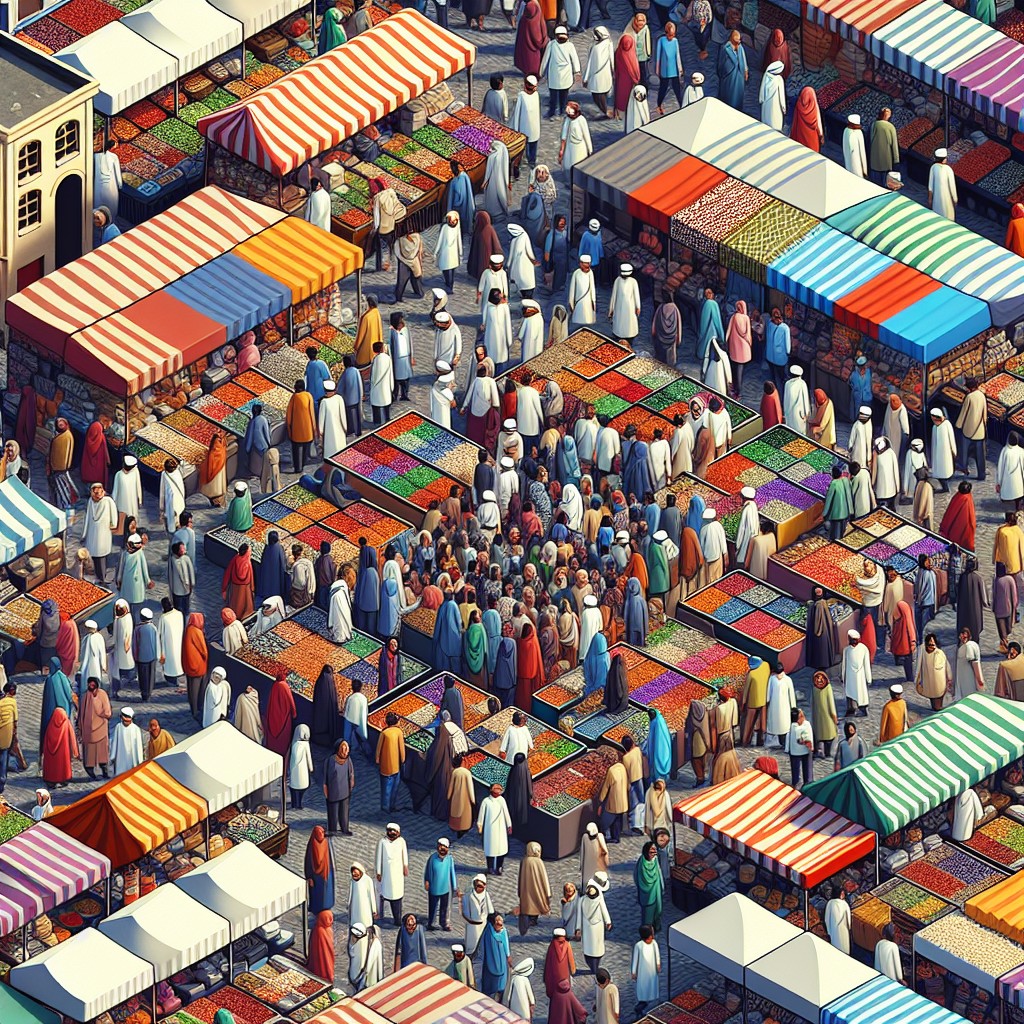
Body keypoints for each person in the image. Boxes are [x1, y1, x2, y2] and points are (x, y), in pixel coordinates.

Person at [540, 27, 581, 119]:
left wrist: (541, 72)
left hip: (560, 74)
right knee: (557, 95)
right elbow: (546, 59)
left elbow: (574, 59)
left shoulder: (564, 45)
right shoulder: (553, 45)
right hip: (559, 74)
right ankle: (555, 111)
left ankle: (560, 111)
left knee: (561, 95)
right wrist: (577, 72)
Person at [78, 677, 111, 779]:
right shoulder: (85, 697)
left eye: (93, 685)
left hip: (101, 729)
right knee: (90, 754)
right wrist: (80, 727)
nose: (90, 687)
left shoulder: (102, 695)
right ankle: (90, 771)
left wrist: (99, 712)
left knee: (102, 752)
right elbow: (81, 714)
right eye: (89, 685)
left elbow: (107, 712)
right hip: (88, 731)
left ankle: (104, 770)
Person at [375, 822, 408, 924]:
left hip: (397, 873)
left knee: (397, 898)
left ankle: (397, 919)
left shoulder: (401, 841)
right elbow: (378, 857)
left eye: (394, 831)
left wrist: (405, 866)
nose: (392, 833)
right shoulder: (382, 842)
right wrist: (378, 872)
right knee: (383, 895)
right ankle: (380, 915)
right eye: (390, 830)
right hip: (386, 874)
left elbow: (405, 854)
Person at [956, 376, 988, 480]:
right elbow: (984, 413)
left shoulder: (969, 397)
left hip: (968, 430)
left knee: (964, 450)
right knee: (980, 455)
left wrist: (958, 425)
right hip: (980, 430)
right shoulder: (982, 395)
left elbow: (963, 413)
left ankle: (964, 467)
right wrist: (984, 423)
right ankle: (981, 474)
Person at [478, 783, 512, 874]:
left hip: (501, 829)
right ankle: (490, 867)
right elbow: (481, 814)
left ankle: (499, 867)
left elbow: (506, 813)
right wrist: (480, 824)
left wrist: (509, 825)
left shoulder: (502, 800)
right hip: (490, 830)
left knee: (501, 849)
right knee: (490, 849)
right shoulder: (486, 801)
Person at [375, 713, 406, 812]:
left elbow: (378, 749)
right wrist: (403, 760)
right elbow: (402, 749)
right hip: (396, 765)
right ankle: (391, 806)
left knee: (386, 788)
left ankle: (385, 807)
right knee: (394, 787)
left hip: (385, 765)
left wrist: (377, 759)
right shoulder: (399, 732)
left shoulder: (384, 733)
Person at [631, 925, 660, 1017]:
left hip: (652, 971)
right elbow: (635, 959)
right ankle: (641, 1004)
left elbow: (657, 955)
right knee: (643, 988)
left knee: (651, 987)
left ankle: (646, 1001)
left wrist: (658, 964)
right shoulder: (639, 946)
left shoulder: (654, 943)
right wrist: (634, 971)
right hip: (643, 972)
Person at [482, 914, 512, 999]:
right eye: (498, 924)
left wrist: (508, 955)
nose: (500, 926)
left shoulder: (503, 932)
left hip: (502, 960)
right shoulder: (489, 933)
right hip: (490, 961)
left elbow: (506, 944)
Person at [559, 102, 593, 176]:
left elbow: (586, 135)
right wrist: (562, 149)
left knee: (579, 165)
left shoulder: (581, 119)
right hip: (570, 146)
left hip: (580, 147)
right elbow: (564, 135)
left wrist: (590, 149)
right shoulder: (568, 119)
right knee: (569, 164)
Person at [109, 706, 144, 776]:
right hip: (120, 757)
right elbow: (115, 742)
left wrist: (140, 760)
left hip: (132, 757)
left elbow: (139, 745)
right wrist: (112, 756)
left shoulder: (135, 729)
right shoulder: (118, 727)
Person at [717, 29, 748, 109]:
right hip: (729, 75)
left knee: (738, 94)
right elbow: (721, 61)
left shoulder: (740, 47)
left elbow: (743, 59)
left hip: (739, 75)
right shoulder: (725, 48)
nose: (738, 42)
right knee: (729, 93)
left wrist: (745, 70)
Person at [870, 108, 900, 185]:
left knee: (875, 180)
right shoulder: (891, 127)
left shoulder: (874, 124)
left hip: (874, 158)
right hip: (886, 159)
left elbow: (871, 139)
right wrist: (896, 160)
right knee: (884, 181)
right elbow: (894, 145)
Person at [785, 708, 814, 787]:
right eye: (801, 715)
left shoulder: (793, 726)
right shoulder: (798, 727)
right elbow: (803, 738)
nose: (803, 716)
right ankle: (804, 784)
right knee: (802, 770)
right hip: (801, 751)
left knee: (800, 770)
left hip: (797, 751)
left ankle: (802, 783)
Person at [823, 466, 853, 541]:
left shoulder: (834, 484)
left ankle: (836, 541)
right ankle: (841, 540)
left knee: (835, 531)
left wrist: (824, 513)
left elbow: (829, 499)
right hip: (846, 511)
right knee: (843, 529)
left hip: (836, 513)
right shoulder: (846, 480)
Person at [954, 625, 985, 701]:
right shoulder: (969, 645)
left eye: (965, 635)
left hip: (967, 676)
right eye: (962, 635)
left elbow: (975, 664)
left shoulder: (968, 646)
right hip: (963, 675)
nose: (963, 637)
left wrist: (979, 679)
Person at [789, 86, 823, 151]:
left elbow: (794, 121)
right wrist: (821, 134)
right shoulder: (813, 108)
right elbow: (818, 123)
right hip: (812, 138)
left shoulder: (798, 104)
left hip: (799, 135)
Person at [929, 148, 958, 219]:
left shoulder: (933, 167)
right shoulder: (948, 169)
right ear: (944, 159)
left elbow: (930, 188)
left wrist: (930, 200)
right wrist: (955, 200)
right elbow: (952, 188)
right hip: (948, 204)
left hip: (936, 203)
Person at [997, 434, 1024, 510]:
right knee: (1018, 493)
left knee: (1008, 494)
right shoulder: (1021, 451)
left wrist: (999, 482)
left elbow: (1000, 468)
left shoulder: (1005, 450)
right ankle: (1017, 506)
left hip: (1007, 478)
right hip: (1019, 479)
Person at [759, 60, 786, 130]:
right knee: (775, 118)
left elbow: (762, 90)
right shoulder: (779, 79)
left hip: (766, 103)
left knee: (767, 116)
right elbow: (781, 95)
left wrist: (761, 99)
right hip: (775, 103)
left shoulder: (766, 76)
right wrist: (783, 107)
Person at [825, 887, 851, 954]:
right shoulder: (845, 904)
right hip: (844, 929)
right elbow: (848, 918)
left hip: (833, 930)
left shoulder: (830, 903)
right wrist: (849, 928)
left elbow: (826, 919)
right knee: (844, 945)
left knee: (836, 945)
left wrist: (829, 930)